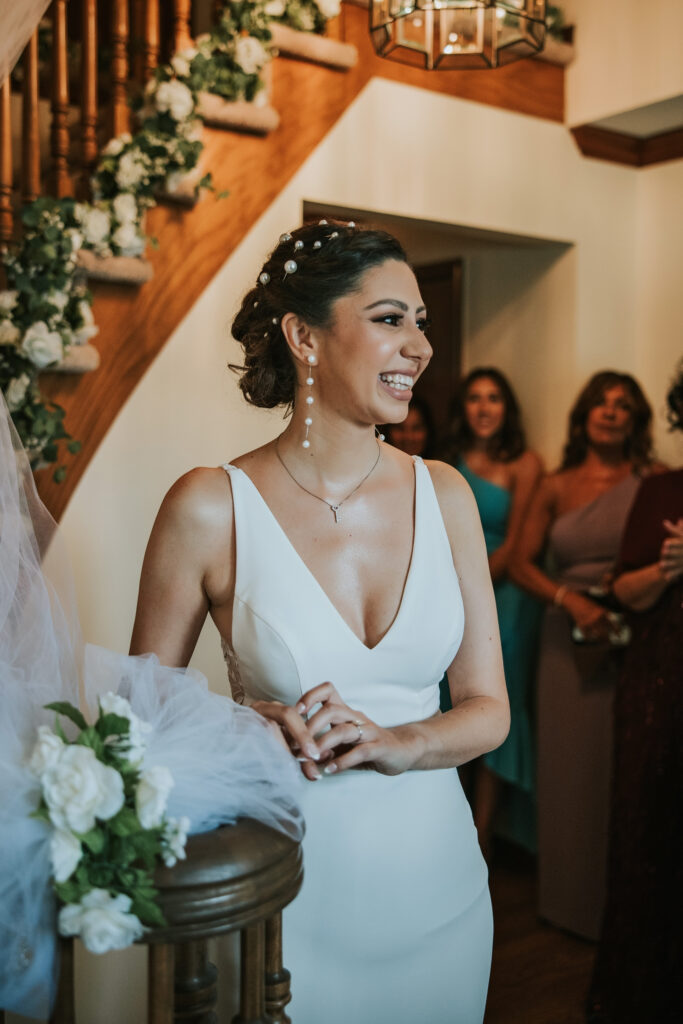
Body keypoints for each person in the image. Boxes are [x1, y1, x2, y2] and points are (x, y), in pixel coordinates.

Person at [129, 222, 509, 1024]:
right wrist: (237, 722)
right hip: (285, 908)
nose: (419, 347)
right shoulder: (209, 506)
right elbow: (138, 716)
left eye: (420, 322)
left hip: (442, 896)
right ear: (303, 336)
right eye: (388, 319)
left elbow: (488, 709)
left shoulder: (446, 493)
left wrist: (402, 742)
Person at [510, 370, 659, 941]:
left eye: (624, 405)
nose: (612, 412)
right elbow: (522, 563)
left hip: (635, 632)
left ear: (637, 420)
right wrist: (569, 600)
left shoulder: (657, 481)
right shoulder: (555, 483)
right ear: (584, 415)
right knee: (569, 769)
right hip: (565, 637)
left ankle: (630, 906)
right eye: (602, 403)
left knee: (629, 766)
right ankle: (568, 902)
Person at [586, 365, 683, 1023]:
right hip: (660, 684)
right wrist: (668, 569)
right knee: (651, 835)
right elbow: (622, 590)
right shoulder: (659, 490)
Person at [442, 368, 543, 858]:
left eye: (494, 398)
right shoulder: (446, 463)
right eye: (475, 399)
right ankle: (449, 824)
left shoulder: (526, 464)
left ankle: (480, 839)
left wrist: (472, 589)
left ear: (508, 409)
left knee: (495, 702)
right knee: (451, 703)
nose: (484, 407)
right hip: (448, 593)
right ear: (463, 409)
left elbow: (520, 543)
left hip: (505, 599)